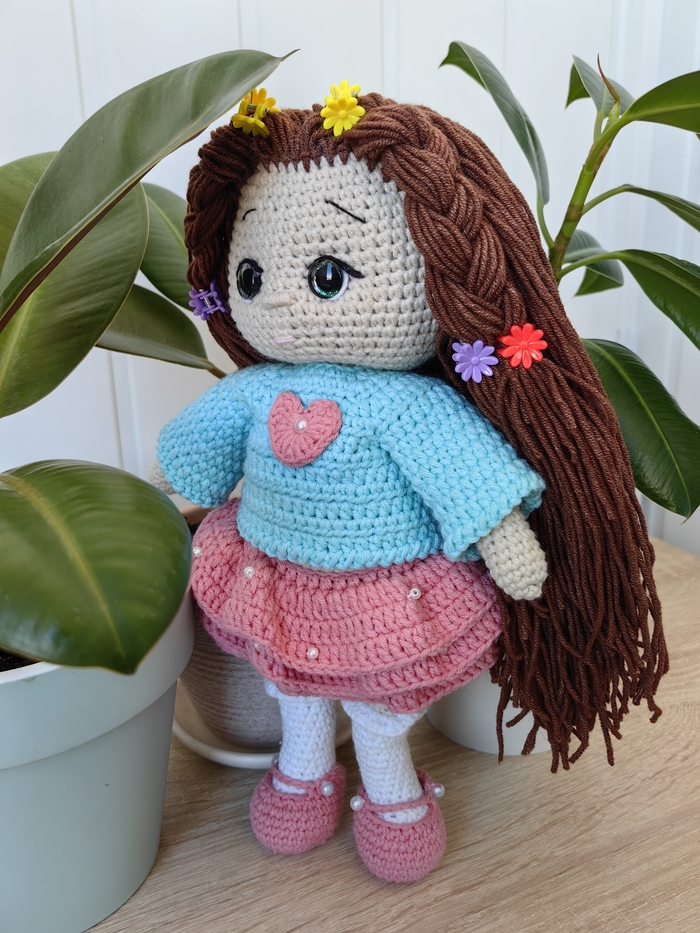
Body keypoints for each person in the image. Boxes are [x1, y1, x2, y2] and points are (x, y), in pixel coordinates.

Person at [156, 84, 667, 883]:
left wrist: (503, 539)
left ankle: (391, 794)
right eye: (251, 274)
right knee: (295, 692)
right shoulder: (255, 391)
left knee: (380, 703)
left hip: (386, 590)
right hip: (277, 573)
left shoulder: (411, 405)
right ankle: (302, 771)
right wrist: (170, 480)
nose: (280, 298)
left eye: (328, 274)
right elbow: (193, 455)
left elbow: (465, 477)